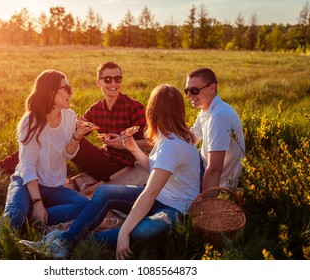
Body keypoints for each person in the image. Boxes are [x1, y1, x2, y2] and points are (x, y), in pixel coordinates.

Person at [19, 84, 201, 260]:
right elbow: (155, 170)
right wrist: (133, 149)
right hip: (160, 197)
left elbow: (150, 192)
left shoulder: (172, 145)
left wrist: (124, 231)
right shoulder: (169, 136)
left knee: (143, 231)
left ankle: (74, 242)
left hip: (176, 210)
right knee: (105, 192)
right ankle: (65, 241)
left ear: (152, 112)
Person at [0, 70, 92, 259]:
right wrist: (37, 201)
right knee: (13, 215)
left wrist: (76, 137)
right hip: (26, 182)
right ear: (50, 93)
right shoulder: (30, 121)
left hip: (54, 185)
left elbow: (68, 153)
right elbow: (27, 166)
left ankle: (31, 218)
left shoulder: (69, 115)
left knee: (84, 205)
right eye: (66, 88)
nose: (71, 92)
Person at [71, 61, 151, 182]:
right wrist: (77, 124)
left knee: (71, 140)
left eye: (118, 79)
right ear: (98, 82)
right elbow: (80, 131)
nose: (114, 84)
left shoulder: (134, 107)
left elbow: (152, 142)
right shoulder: (95, 109)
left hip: (125, 167)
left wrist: (125, 144)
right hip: (104, 159)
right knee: (68, 136)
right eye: (108, 79)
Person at [185, 67, 245, 192]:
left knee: (166, 178)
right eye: (187, 91)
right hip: (203, 165)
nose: (189, 96)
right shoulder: (207, 108)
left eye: (194, 90)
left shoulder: (219, 117)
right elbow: (192, 138)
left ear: (212, 88)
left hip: (218, 182)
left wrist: (206, 203)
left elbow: (215, 169)